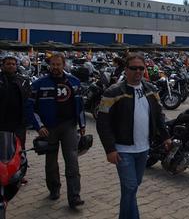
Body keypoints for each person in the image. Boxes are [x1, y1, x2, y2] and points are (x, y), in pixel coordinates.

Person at [96, 53, 171, 219]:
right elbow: (103, 123)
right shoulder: (113, 92)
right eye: (133, 68)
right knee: (130, 187)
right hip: (123, 150)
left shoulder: (151, 89)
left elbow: (159, 116)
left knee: (132, 187)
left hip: (143, 149)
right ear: (126, 69)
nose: (138, 71)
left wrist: (165, 136)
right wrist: (110, 149)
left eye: (141, 68)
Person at [27, 53, 85, 208]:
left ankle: (74, 196)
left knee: (72, 161)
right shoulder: (38, 84)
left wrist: (83, 125)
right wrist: (39, 126)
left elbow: (80, 106)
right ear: (49, 65)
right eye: (53, 64)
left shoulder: (74, 82)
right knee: (51, 163)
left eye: (58, 64)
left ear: (64, 64)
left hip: (69, 126)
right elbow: (30, 108)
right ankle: (54, 189)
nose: (55, 67)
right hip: (49, 128)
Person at [0, 55, 31, 184]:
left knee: (19, 148)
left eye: (13, 64)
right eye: (8, 64)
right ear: (3, 66)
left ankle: (20, 172)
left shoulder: (22, 80)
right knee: (3, 149)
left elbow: (28, 99)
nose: (11, 66)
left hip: (19, 122)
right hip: (2, 122)